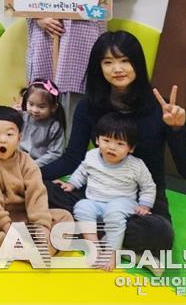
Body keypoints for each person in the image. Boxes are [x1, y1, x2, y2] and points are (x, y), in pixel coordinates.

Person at [42, 31, 186, 258]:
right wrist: (29, 175)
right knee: (39, 189)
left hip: (141, 201)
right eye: (108, 62)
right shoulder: (89, 105)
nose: (117, 68)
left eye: (125, 60)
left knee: (160, 234)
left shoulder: (161, 108)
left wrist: (178, 129)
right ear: (99, 67)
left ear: (137, 63)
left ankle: (82, 230)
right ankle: (109, 237)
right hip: (95, 191)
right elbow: (72, 159)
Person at [0, 106, 73, 259]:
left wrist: (41, 226)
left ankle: (42, 249)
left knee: (64, 217)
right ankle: (19, 250)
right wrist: (6, 227)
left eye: (9, 134)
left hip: (24, 217)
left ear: (19, 137)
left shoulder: (27, 162)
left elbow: (36, 194)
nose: (2, 139)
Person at [55, 113, 156, 271]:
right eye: (106, 140)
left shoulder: (136, 165)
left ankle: (112, 253)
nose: (111, 147)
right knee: (82, 206)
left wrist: (145, 205)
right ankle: (94, 247)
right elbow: (82, 171)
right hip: (95, 201)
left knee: (114, 211)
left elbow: (148, 186)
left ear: (131, 148)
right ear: (97, 140)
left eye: (120, 143)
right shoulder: (91, 156)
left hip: (123, 203)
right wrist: (72, 184)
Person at [16, 79, 65, 167]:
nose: (35, 110)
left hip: (40, 166)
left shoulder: (54, 127)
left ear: (53, 107)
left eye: (41, 107)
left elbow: (55, 153)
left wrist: (33, 165)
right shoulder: (22, 117)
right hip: (17, 161)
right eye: (31, 104)